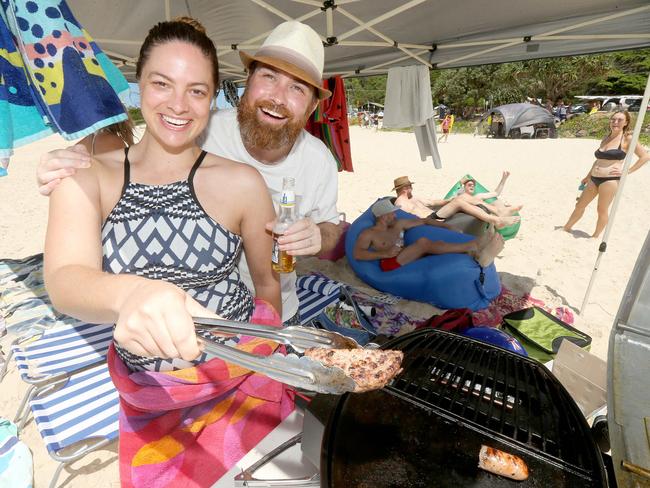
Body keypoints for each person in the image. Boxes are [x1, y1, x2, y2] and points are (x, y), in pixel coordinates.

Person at [44, 18, 292, 487]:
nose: (179, 105)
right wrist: (133, 293)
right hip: (150, 395)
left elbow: (267, 284)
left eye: (197, 91)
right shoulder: (87, 175)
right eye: (162, 84)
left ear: (214, 97)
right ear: (138, 86)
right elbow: (65, 279)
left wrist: (265, 365)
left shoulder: (242, 182)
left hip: (241, 375)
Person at [37, 20, 341, 324]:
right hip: (149, 328)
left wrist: (318, 235)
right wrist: (65, 169)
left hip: (262, 314)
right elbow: (68, 274)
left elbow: (327, 234)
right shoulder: (200, 128)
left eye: (297, 88)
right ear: (247, 80)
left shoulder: (314, 162)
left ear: (313, 106)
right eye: (269, 76)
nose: (277, 96)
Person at [563, 110, 649, 238]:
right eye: (613, 119)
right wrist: (587, 176)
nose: (615, 122)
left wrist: (627, 171)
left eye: (619, 120)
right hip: (594, 178)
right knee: (580, 204)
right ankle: (566, 228)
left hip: (610, 180)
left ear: (626, 123)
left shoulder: (627, 139)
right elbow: (598, 160)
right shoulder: (606, 137)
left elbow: (645, 156)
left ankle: (595, 236)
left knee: (601, 210)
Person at [353, 198, 504, 270]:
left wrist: (446, 226)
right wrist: (384, 254)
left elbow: (424, 221)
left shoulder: (398, 224)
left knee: (435, 244)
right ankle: (474, 245)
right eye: (392, 213)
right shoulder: (369, 234)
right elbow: (358, 254)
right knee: (423, 243)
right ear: (383, 216)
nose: (395, 215)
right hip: (389, 263)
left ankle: (477, 252)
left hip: (405, 254)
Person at [393, 175, 520, 229]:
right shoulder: (401, 204)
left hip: (435, 215)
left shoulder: (414, 198)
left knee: (462, 197)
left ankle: (498, 211)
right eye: (410, 186)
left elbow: (434, 202)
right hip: (429, 221)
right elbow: (407, 221)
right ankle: (495, 220)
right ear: (405, 188)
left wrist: (449, 200)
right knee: (459, 202)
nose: (412, 188)